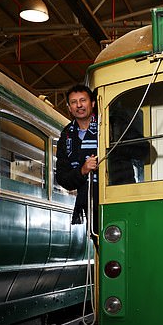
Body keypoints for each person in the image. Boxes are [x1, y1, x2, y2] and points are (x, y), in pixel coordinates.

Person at [56, 84, 99, 233]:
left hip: (116, 198)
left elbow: (141, 150)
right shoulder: (66, 135)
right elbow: (62, 177)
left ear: (92, 103)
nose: (79, 105)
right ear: (69, 107)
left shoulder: (109, 125)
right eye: (74, 102)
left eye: (83, 100)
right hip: (89, 204)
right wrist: (82, 170)